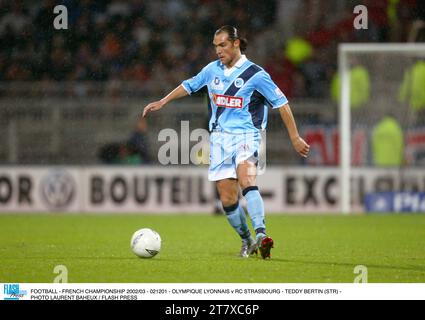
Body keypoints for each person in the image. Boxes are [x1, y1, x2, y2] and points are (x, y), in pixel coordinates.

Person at [142, 26, 309, 259]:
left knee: (247, 180)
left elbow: (282, 104)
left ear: (236, 43)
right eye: (216, 46)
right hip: (219, 138)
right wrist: (163, 101)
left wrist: (295, 137)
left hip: (248, 136)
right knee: (227, 198)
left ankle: (261, 235)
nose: (218, 50)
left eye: (223, 45)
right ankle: (247, 241)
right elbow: (189, 85)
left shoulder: (256, 74)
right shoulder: (212, 70)